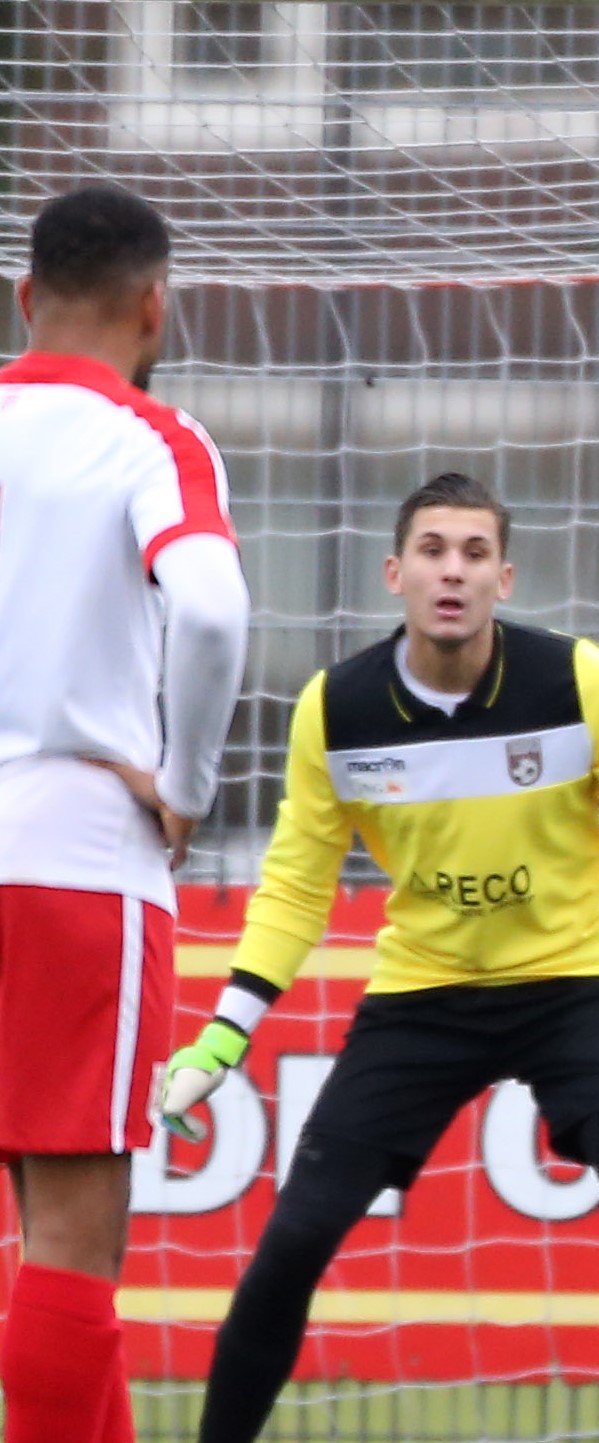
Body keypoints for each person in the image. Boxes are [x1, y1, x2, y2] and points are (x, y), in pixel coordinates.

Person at [162, 474, 599, 1443]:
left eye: (471, 553)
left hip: (577, 991)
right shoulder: (338, 709)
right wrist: (221, 1037)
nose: (450, 572)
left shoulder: (581, 684)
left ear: (505, 575)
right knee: (291, 1239)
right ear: (394, 572)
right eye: (431, 551)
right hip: (423, 997)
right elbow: (295, 884)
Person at [0, 183, 250, 1443]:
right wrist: (190, 786)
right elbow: (207, 607)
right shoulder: (149, 437)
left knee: (27, 1243)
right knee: (72, 1239)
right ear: (156, 307)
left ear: (24, 298)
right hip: (73, 861)